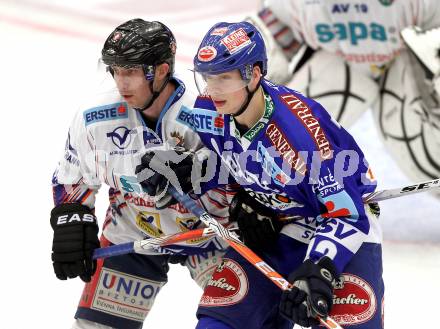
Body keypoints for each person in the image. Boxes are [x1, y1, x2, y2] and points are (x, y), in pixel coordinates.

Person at [140, 21, 384, 328]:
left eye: (224, 78)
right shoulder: (208, 109)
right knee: (218, 322)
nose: (212, 91)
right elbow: (229, 162)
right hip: (276, 226)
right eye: (207, 78)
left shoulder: (300, 134)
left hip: (340, 230)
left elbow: (347, 214)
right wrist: (184, 169)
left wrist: (319, 268)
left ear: (254, 74)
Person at [50, 18, 235, 329]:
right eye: (116, 71)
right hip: (136, 231)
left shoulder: (210, 113)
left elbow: (247, 175)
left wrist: (202, 173)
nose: (122, 83)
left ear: (162, 70)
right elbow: (73, 175)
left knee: (244, 322)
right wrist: (73, 216)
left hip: (212, 237)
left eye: (132, 71)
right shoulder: (94, 117)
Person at [245, 0, 440, 193]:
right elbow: (265, 44)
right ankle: (279, 194)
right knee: (282, 131)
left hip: (404, 59)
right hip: (337, 64)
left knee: (425, 156)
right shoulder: (295, 6)